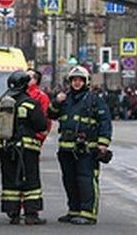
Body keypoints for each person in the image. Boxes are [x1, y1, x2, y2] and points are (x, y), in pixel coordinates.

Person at [48, 66, 112, 225]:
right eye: (74, 80)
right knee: (69, 180)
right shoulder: (65, 99)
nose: (77, 83)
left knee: (86, 180)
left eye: (80, 80)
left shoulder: (95, 100)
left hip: (86, 149)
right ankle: (74, 210)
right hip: (66, 148)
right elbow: (50, 114)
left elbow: (105, 122)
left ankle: (88, 212)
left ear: (86, 81)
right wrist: (56, 101)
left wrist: (103, 143)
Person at [0, 71, 48, 225]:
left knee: (10, 181)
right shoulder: (31, 104)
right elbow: (41, 125)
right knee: (30, 181)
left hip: (5, 149)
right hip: (26, 150)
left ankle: (13, 213)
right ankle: (31, 215)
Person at [27, 69, 52, 143]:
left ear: (35, 80)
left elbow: (46, 119)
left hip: (33, 140)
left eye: (28, 77)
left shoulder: (42, 97)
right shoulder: (19, 93)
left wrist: (39, 137)